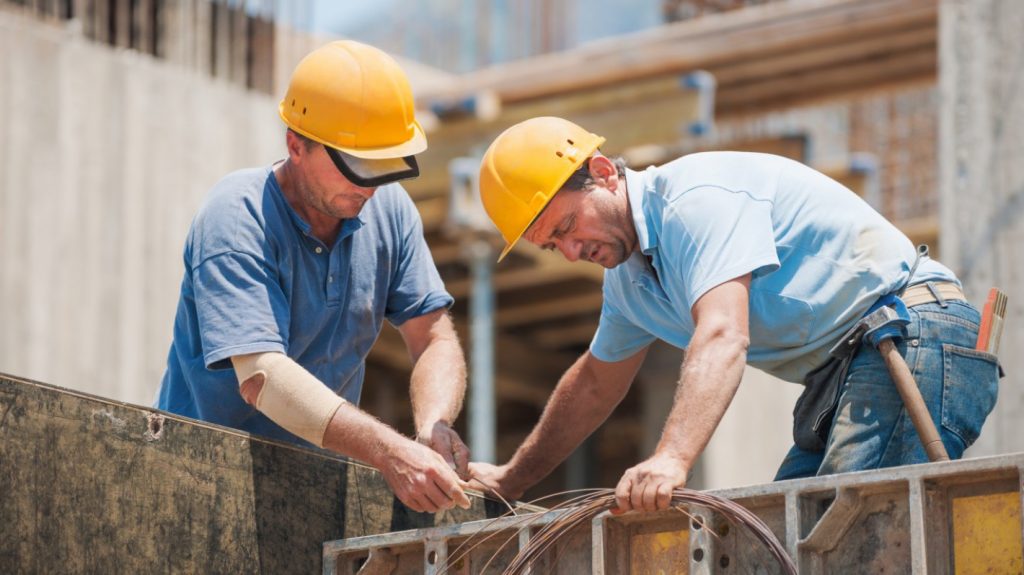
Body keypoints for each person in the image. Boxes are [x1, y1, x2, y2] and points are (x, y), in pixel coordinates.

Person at [467, 116, 1000, 513]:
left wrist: (672, 458)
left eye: (566, 227)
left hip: (914, 335)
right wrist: (512, 480)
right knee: (781, 539)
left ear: (603, 173)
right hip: (851, 370)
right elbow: (593, 387)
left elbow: (723, 335)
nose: (569, 251)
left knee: (849, 533)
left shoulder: (695, 201)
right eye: (551, 246)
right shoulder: (630, 283)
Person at [156, 41, 471, 513]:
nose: (368, 184)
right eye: (355, 165)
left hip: (316, 488)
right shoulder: (238, 216)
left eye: (383, 165)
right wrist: (388, 451)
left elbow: (433, 338)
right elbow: (262, 377)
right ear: (295, 146)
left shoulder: (390, 211)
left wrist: (433, 426)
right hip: (200, 482)